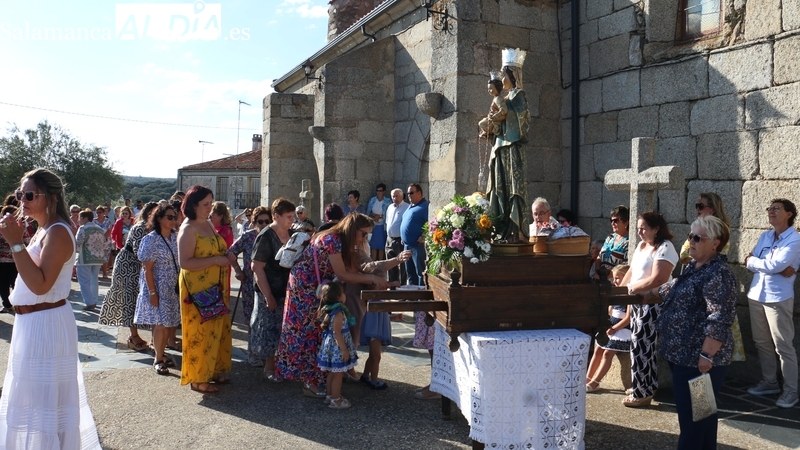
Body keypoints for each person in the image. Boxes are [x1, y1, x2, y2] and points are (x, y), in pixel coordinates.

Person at [0, 168, 101, 448]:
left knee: (44, 403)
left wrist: (15, 243)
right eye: (21, 194)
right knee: (33, 398)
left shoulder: (57, 232)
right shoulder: (43, 230)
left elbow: (41, 285)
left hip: (46, 322)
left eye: (29, 195)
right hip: (32, 323)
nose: (22, 200)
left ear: (51, 197)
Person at [276, 213, 389, 398]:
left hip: (315, 287)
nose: (364, 239)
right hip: (306, 289)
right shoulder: (333, 240)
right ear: (353, 229)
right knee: (307, 333)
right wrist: (372, 278)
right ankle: (309, 382)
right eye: (363, 234)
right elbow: (343, 274)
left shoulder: (338, 239)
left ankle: (319, 377)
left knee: (317, 332)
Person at [653, 215, 737, 449]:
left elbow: (719, 317)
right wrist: (639, 293)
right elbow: (671, 287)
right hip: (683, 357)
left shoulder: (717, 274)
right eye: (690, 236)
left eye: (697, 238)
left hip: (698, 362)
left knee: (692, 423)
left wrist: (706, 356)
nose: (691, 241)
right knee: (703, 417)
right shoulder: (694, 266)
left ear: (715, 243)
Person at [619, 212, 679, 407]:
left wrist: (633, 288)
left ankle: (642, 393)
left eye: (644, 228)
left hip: (653, 303)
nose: (639, 232)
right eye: (638, 228)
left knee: (642, 345)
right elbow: (632, 271)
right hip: (637, 301)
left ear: (656, 229)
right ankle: (643, 384)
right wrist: (621, 290)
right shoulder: (641, 246)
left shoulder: (665, 247)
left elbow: (659, 278)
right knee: (637, 345)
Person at [744, 198, 800, 409]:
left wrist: (756, 262)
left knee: (783, 346)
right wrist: (760, 263)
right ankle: (770, 382)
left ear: (789, 214)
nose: (771, 211)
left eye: (776, 209)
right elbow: (754, 261)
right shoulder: (765, 235)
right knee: (761, 342)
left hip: (778, 297)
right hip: (757, 295)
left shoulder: (795, 240)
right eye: (769, 208)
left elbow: (774, 264)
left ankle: (791, 391)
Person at [177, 186, 232, 393]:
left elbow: (216, 248)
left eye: (211, 203)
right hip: (197, 289)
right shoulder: (188, 229)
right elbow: (185, 262)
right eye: (206, 204)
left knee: (217, 330)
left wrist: (227, 256)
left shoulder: (208, 223)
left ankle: (213, 370)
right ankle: (198, 378)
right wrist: (217, 260)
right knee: (200, 333)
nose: (210, 207)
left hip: (215, 286)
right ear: (193, 205)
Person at [679, 193, 744, 363]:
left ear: (712, 209)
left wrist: (693, 257)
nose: (697, 209)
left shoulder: (720, 231)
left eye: (701, 206)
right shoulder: (698, 228)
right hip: (693, 278)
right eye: (696, 205)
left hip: (707, 282)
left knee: (713, 322)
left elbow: (693, 255)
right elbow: (683, 254)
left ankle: (708, 359)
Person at [100, 202, 160, 352]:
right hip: (128, 265)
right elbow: (140, 252)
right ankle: (133, 337)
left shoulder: (153, 228)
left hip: (138, 266)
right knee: (130, 299)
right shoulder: (141, 227)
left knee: (136, 299)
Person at [487, 48, 530, 242]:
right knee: (499, 189)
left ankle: (515, 231)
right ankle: (501, 228)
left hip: (512, 149)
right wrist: (492, 124)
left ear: (512, 75)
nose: (502, 79)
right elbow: (500, 125)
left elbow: (522, 122)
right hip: (501, 148)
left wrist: (504, 114)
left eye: (504, 75)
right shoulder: (503, 99)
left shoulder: (519, 95)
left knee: (513, 189)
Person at [352, 248, 409, 390]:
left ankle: (366, 375)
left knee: (374, 355)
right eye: (382, 283)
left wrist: (394, 317)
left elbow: (382, 316)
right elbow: (372, 318)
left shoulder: (379, 300)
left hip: (377, 330)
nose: (384, 285)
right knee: (376, 356)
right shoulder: (370, 300)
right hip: (373, 333)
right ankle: (374, 379)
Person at [134, 203, 181, 375]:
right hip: (158, 286)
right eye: (169, 217)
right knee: (160, 324)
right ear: (159, 219)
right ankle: (158, 359)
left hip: (172, 287)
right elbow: (148, 268)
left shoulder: (176, 237)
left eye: (175, 217)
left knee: (169, 323)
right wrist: (153, 293)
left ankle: (161, 352)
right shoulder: (151, 239)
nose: (173, 220)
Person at [251, 198, 295, 381]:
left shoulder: (293, 234)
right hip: (269, 289)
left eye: (293, 216)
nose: (292, 220)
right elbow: (257, 267)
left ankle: (283, 364)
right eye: (288, 216)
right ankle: (269, 366)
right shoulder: (266, 236)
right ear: (276, 216)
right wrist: (268, 295)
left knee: (285, 328)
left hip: (287, 290)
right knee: (270, 328)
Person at [227, 205, 272, 366]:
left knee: (268, 319)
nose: (263, 224)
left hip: (270, 282)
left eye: (267, 221)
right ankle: (253, 353)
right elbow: (230, 253)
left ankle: (267, 354)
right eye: (260, 221)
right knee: (252, 319)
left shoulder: (274, 236)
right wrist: (238, 271)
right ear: (254, 222)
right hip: (249, 284)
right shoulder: (247, 237)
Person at [586, 264, 631, 392]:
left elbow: (628, 318)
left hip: (623, 330)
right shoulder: (614, 294)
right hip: (611, 328)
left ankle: (595, 382)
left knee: (607, 353)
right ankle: (588, 378)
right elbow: (610, 312)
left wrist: (615, 328)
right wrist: (607, 326)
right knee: (598, 349)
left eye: (618, 278)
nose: (615, 281)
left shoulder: (629, 295)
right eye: (614, 278)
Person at [316, 281, 358, 409]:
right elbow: (337, 333)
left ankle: (329, 396)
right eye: (343, 293)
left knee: (331, 373)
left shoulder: (329, 310)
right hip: (337, 347)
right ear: (339, 297)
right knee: (338, 374)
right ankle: (336, 399)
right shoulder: (339, 312)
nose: (345, 295)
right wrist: (344, 350)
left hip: (330, 346)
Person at [0, 205, 30, 314]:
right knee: (10, 283)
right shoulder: (20, 226)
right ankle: (11, 304)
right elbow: (27, 240)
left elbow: (27, 239)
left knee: (9, 283)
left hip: (12, 260)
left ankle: (11, 304)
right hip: (13, 259)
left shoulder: (5, 226)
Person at [75, 208, 107, 311]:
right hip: (98, 257)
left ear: (85, 218)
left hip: (85, 258)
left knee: (84, 281)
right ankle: (94, 299)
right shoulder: (99, 229)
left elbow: (78, 243)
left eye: (80, 217)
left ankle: (89, 302)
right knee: (94, 280)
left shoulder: (83, 228)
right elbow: (104, 243)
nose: (78, 220)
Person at [401, 183, 429, 287]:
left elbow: (431, 224)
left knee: (420, 273)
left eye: (411, 193)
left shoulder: (425, 206)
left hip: (417, 246)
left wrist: (424, 236)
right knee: (410, 274)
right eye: (408, 193)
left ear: (419, 193)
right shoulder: (411, 206)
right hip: (407, 245)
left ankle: (420, 298)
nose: (409, 195)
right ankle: (411, 296)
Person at [593, 205, 630, 281]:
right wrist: (597, 273)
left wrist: (607, 276)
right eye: (611, 220)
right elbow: (599, 258)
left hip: (616, 282)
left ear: (626, 222)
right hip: (600, 279)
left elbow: (625, 266)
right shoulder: (610, 238)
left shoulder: (629, 241)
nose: (612, 223)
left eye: (616, 221)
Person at [385, 188, 409, 285]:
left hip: (400, 240)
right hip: (389, 239)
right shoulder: (390, 207)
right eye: (393, 196)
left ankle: (402, 286)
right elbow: (387, 221)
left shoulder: (407, 207)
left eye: (397, 196)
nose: (395, 198)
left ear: (402, 196)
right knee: (390, 264)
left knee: (402, 265)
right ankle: (392, 286)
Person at [366, 183, 391, 261]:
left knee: (381, 246)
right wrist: (374, 216)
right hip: (373, 225)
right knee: (373, 246)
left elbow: (389, 213)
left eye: (380, 191)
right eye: (377, 191)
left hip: (382, 226)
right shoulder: (373, 200)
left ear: (384, 191)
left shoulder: (388, 201)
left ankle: (380, 263)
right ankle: (373, 263)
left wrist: (380, 217)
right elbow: (368, 212)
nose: (379, 192)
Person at [94, 205, 114, 278]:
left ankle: (105, 273)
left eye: (100, 212)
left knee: (105, 258)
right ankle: (95, 273)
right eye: (97, 212)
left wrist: (103, 238)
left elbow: (109, 230)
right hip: (96, 242)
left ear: (103, 213)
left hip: (106, 242)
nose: (98, 214)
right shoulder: (94, 221)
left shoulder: (107, 221)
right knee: (97, 257)